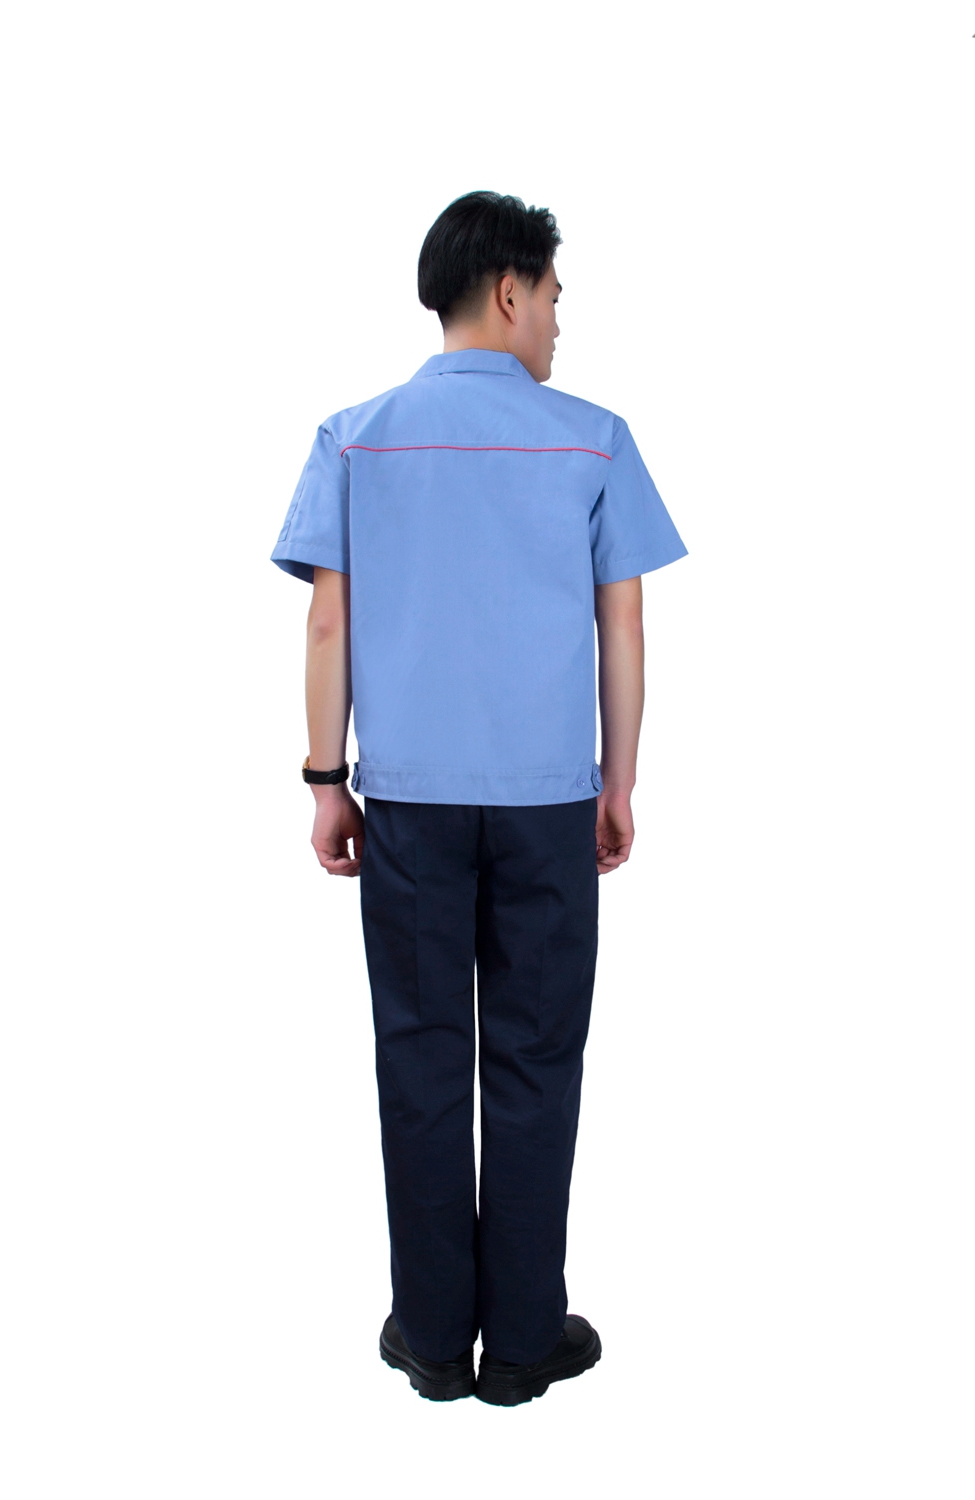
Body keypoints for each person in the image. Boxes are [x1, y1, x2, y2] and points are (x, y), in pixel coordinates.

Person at [270, 191, 687, 1406]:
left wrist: (325, 782)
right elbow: (623, 623)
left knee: (418, 1056)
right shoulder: (593, 439)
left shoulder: (354, 437)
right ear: (508, 290)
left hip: (406, 805)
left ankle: (431, 1337)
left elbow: (328, 623)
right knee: (536, 1057)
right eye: (553, 296)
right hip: (549, 805)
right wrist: (618, 782)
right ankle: (520, 1343)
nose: (557, 320)